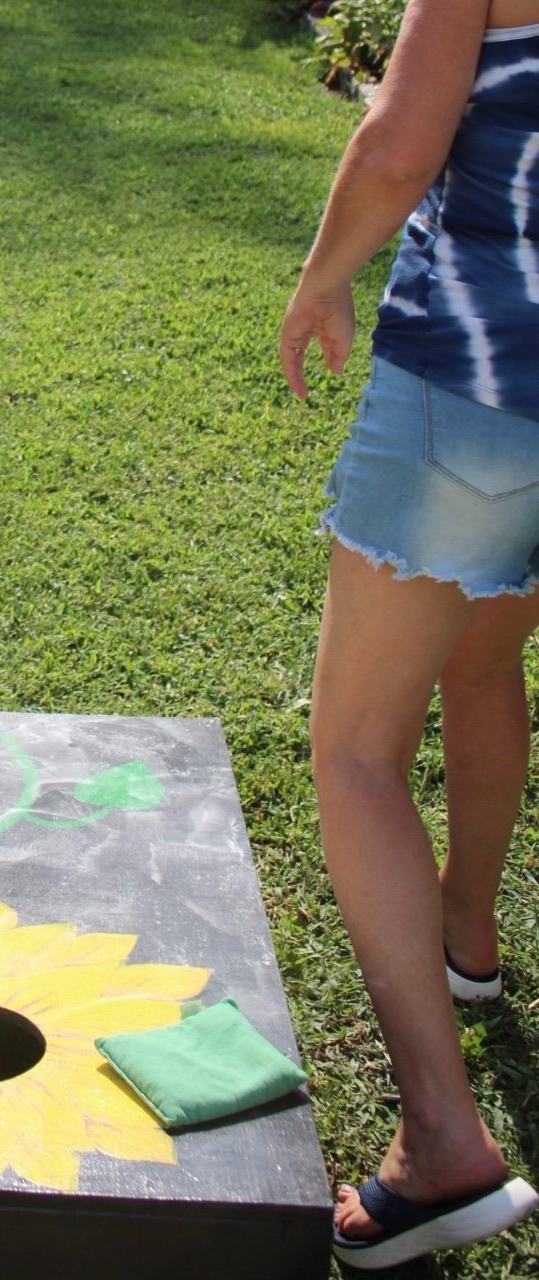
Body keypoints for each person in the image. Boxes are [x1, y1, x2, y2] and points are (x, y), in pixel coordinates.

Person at [280, 0, 539, 1267]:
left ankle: (441, 1139)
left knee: (355, 751)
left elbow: (394, 146)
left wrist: (319, 275)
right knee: (484, 661)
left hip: (476, 381)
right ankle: (464, 939)